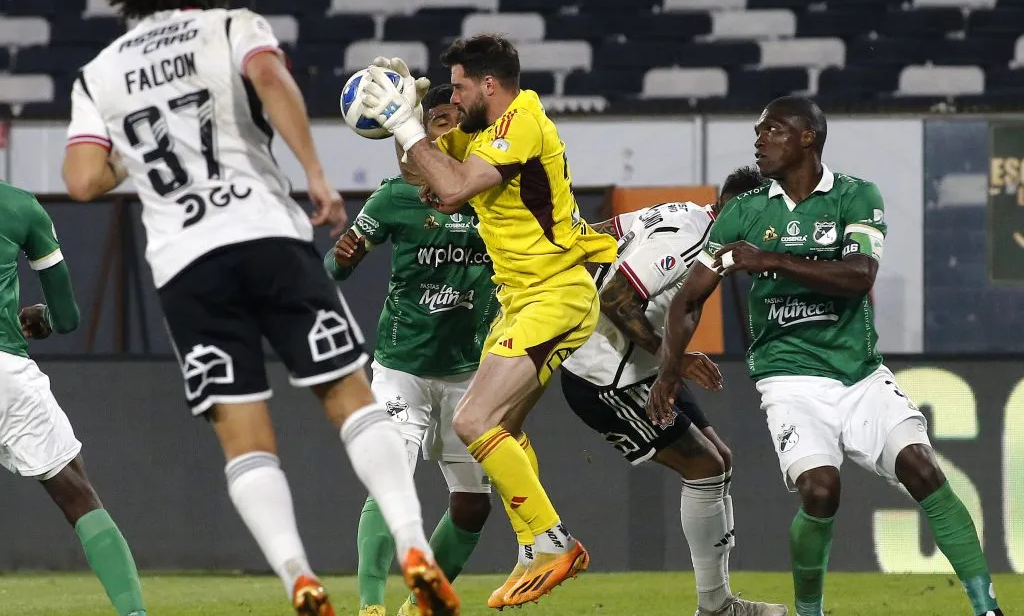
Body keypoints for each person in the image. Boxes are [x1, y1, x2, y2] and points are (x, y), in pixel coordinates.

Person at [59, 0, 458, 615]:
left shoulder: (99, 74)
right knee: (348, 397)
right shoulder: (232, 27)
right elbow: (271, 80)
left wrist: (136, 149)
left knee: (241, 436)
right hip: (266, 233)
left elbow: (82, 179)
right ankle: (415, 542)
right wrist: (316, 173)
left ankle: (297, 574)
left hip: (185, 267)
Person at [649, 96, 1004, 616]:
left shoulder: (856, 197)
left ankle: (986, 607)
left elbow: (860, 276)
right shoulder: (745, 212)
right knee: (820, 489)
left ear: (806, 137)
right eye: (757, 131)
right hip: (789, 381)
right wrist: (670, 368)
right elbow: (689, 298)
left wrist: (768, 259)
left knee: (923, 469)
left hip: (859, 375)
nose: (758, 140)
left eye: (771, 130)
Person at [357, 35, 620, 607]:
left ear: (490, 86)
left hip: (554, 292)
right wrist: (403, 112)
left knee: (473, 421)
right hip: (521, 299)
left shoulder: (522, 122)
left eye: (457, 86)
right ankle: (531, 546)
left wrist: (406, 125)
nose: (451, 94)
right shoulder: (478, 134)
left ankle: (553, 541)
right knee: (505, 431)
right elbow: (423, 175)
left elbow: (451, 185)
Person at [560, 168, 789, 616]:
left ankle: (721, 602)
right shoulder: (686, 244)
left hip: (641, 365)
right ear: (740, 211)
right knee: (702, 466)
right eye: (765, 218)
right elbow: (616, 297)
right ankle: (714, 608)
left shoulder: (684, 213)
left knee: (720, 459)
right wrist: (676, 357)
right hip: (605, 376)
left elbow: (599, 234)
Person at [327, 85, 497, 616]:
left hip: (471, 372)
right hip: (402, 367)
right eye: (436, 120)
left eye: (453, 120)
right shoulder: (392, 198)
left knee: (473, 505)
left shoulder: (493, 192)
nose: (444, 129)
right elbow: (334, 268)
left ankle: (418, 605)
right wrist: (343, 258)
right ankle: (371, 604)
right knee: (391, 478)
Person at [0, 184, 148, 616]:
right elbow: (66, 317)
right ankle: (134, 614)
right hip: (6, 374)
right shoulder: (19, 206)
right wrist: (41, 317)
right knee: (78, 496)